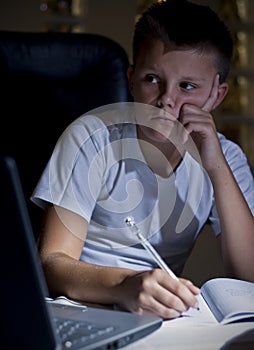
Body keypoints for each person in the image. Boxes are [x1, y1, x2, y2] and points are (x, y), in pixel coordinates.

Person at [31, 0, 254, 320]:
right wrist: (125, 284)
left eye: (187, 86)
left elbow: (249, 277)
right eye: (152, 79)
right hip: (77, 310)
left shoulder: (225, 156)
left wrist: (216, 166)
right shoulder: (91, 136)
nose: (166, 98)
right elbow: (52, 262)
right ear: (132, 79)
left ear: (216, 95)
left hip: (154, 318)